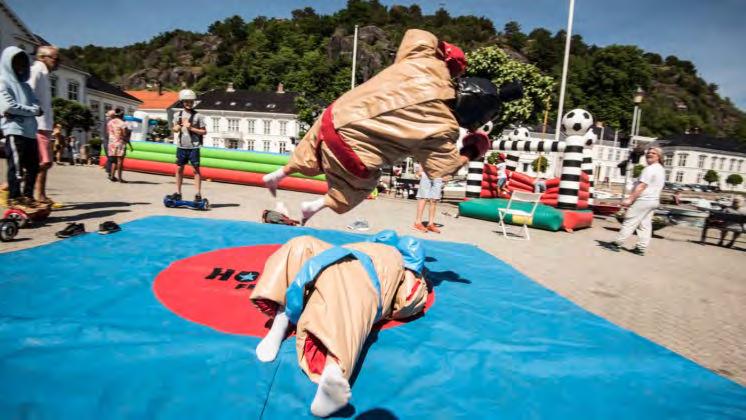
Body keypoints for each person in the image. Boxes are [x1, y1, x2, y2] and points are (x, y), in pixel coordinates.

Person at [262, 29, 515, 224]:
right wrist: (473, 149)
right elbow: (442, 170)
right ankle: (316, 206)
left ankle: (282, 172)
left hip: (333, 118)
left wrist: (445, 53)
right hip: (352, 153)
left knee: (309, 149)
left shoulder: (428, 65)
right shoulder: (444, 127)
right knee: (357, 187)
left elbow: (416, 35)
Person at [250, 231, 428, 417]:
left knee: (342, 288)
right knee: (301, 245)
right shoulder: (406, 270)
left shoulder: (403, 270)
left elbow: (406, 299)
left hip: (356, 268)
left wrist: (411, 279)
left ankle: (332, 371)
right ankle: (282, 324)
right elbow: (407, 301)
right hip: (341, 257)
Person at [0, 46, 43, 211]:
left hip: (30, 133)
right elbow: (8, 107)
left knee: (34, 167)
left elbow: (36, 104)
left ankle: (28, 196)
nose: (20, 67)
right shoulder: (3, 82)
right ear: (8, 63)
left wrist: (26, 110)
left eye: (22, 63)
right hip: (14, 131)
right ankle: (14, 197)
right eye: (16, 63)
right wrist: (32, 111)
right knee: (16, 167)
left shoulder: (26, 86)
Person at [607, 147, 665, 256]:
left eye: (653, 153)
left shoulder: (650, 169)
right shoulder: (661, 169)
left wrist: (630, 199)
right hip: (653, 200)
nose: (649, 154)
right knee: (645, 225)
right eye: (648, 152)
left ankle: (617, 243)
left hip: (644, 200)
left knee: (630, 220)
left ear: (659, 156)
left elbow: (642, 186)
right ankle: (641, 248)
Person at [28, 45, 58, 204]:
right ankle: (9, 187)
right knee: (44, 162)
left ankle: (41, 194)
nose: (57, 62)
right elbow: (28, 92)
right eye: (54, 58)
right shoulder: (36, 71)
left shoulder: (45, 75)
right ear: (42, 57)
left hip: (44, 125)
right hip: (38, 124)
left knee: (44, 162)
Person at [169, 89, 206, 201]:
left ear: (193, 102)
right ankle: (178, 193)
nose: (189, 104)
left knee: (196, 170)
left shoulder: (198, 116)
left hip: (194, 147)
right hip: (181, 147)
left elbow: (204, 132)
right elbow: (175, 129)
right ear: (182, 102)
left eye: (191, 101)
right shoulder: (177, 115)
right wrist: (177, 127)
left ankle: (198, 194)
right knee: (179, 169)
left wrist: (191, 128)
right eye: (186, 101)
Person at [413, 162, 444, 233]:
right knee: (423, 198)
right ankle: (417, 223)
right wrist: (420, 171)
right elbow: (423, 156)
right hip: (426, 173)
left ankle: (430, 224)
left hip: (438, 175)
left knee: (434, 200)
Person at [106, 108, 129, 182]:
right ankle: (120, 178)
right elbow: (125, 134)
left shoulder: (109, 122)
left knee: (113, 161)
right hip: (120, 143)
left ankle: (112, 176)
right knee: (120, 161)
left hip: (111, 143)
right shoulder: (122, 123)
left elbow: (108, 132)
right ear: (121, 115)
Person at [101, 110, 115, 174]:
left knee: (110, 158)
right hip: (108, 142)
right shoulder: (109, 122)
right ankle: (110, 173)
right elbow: (108, 134)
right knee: (111, 158)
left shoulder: (107, 122)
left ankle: (109, 171)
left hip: (106, 142)